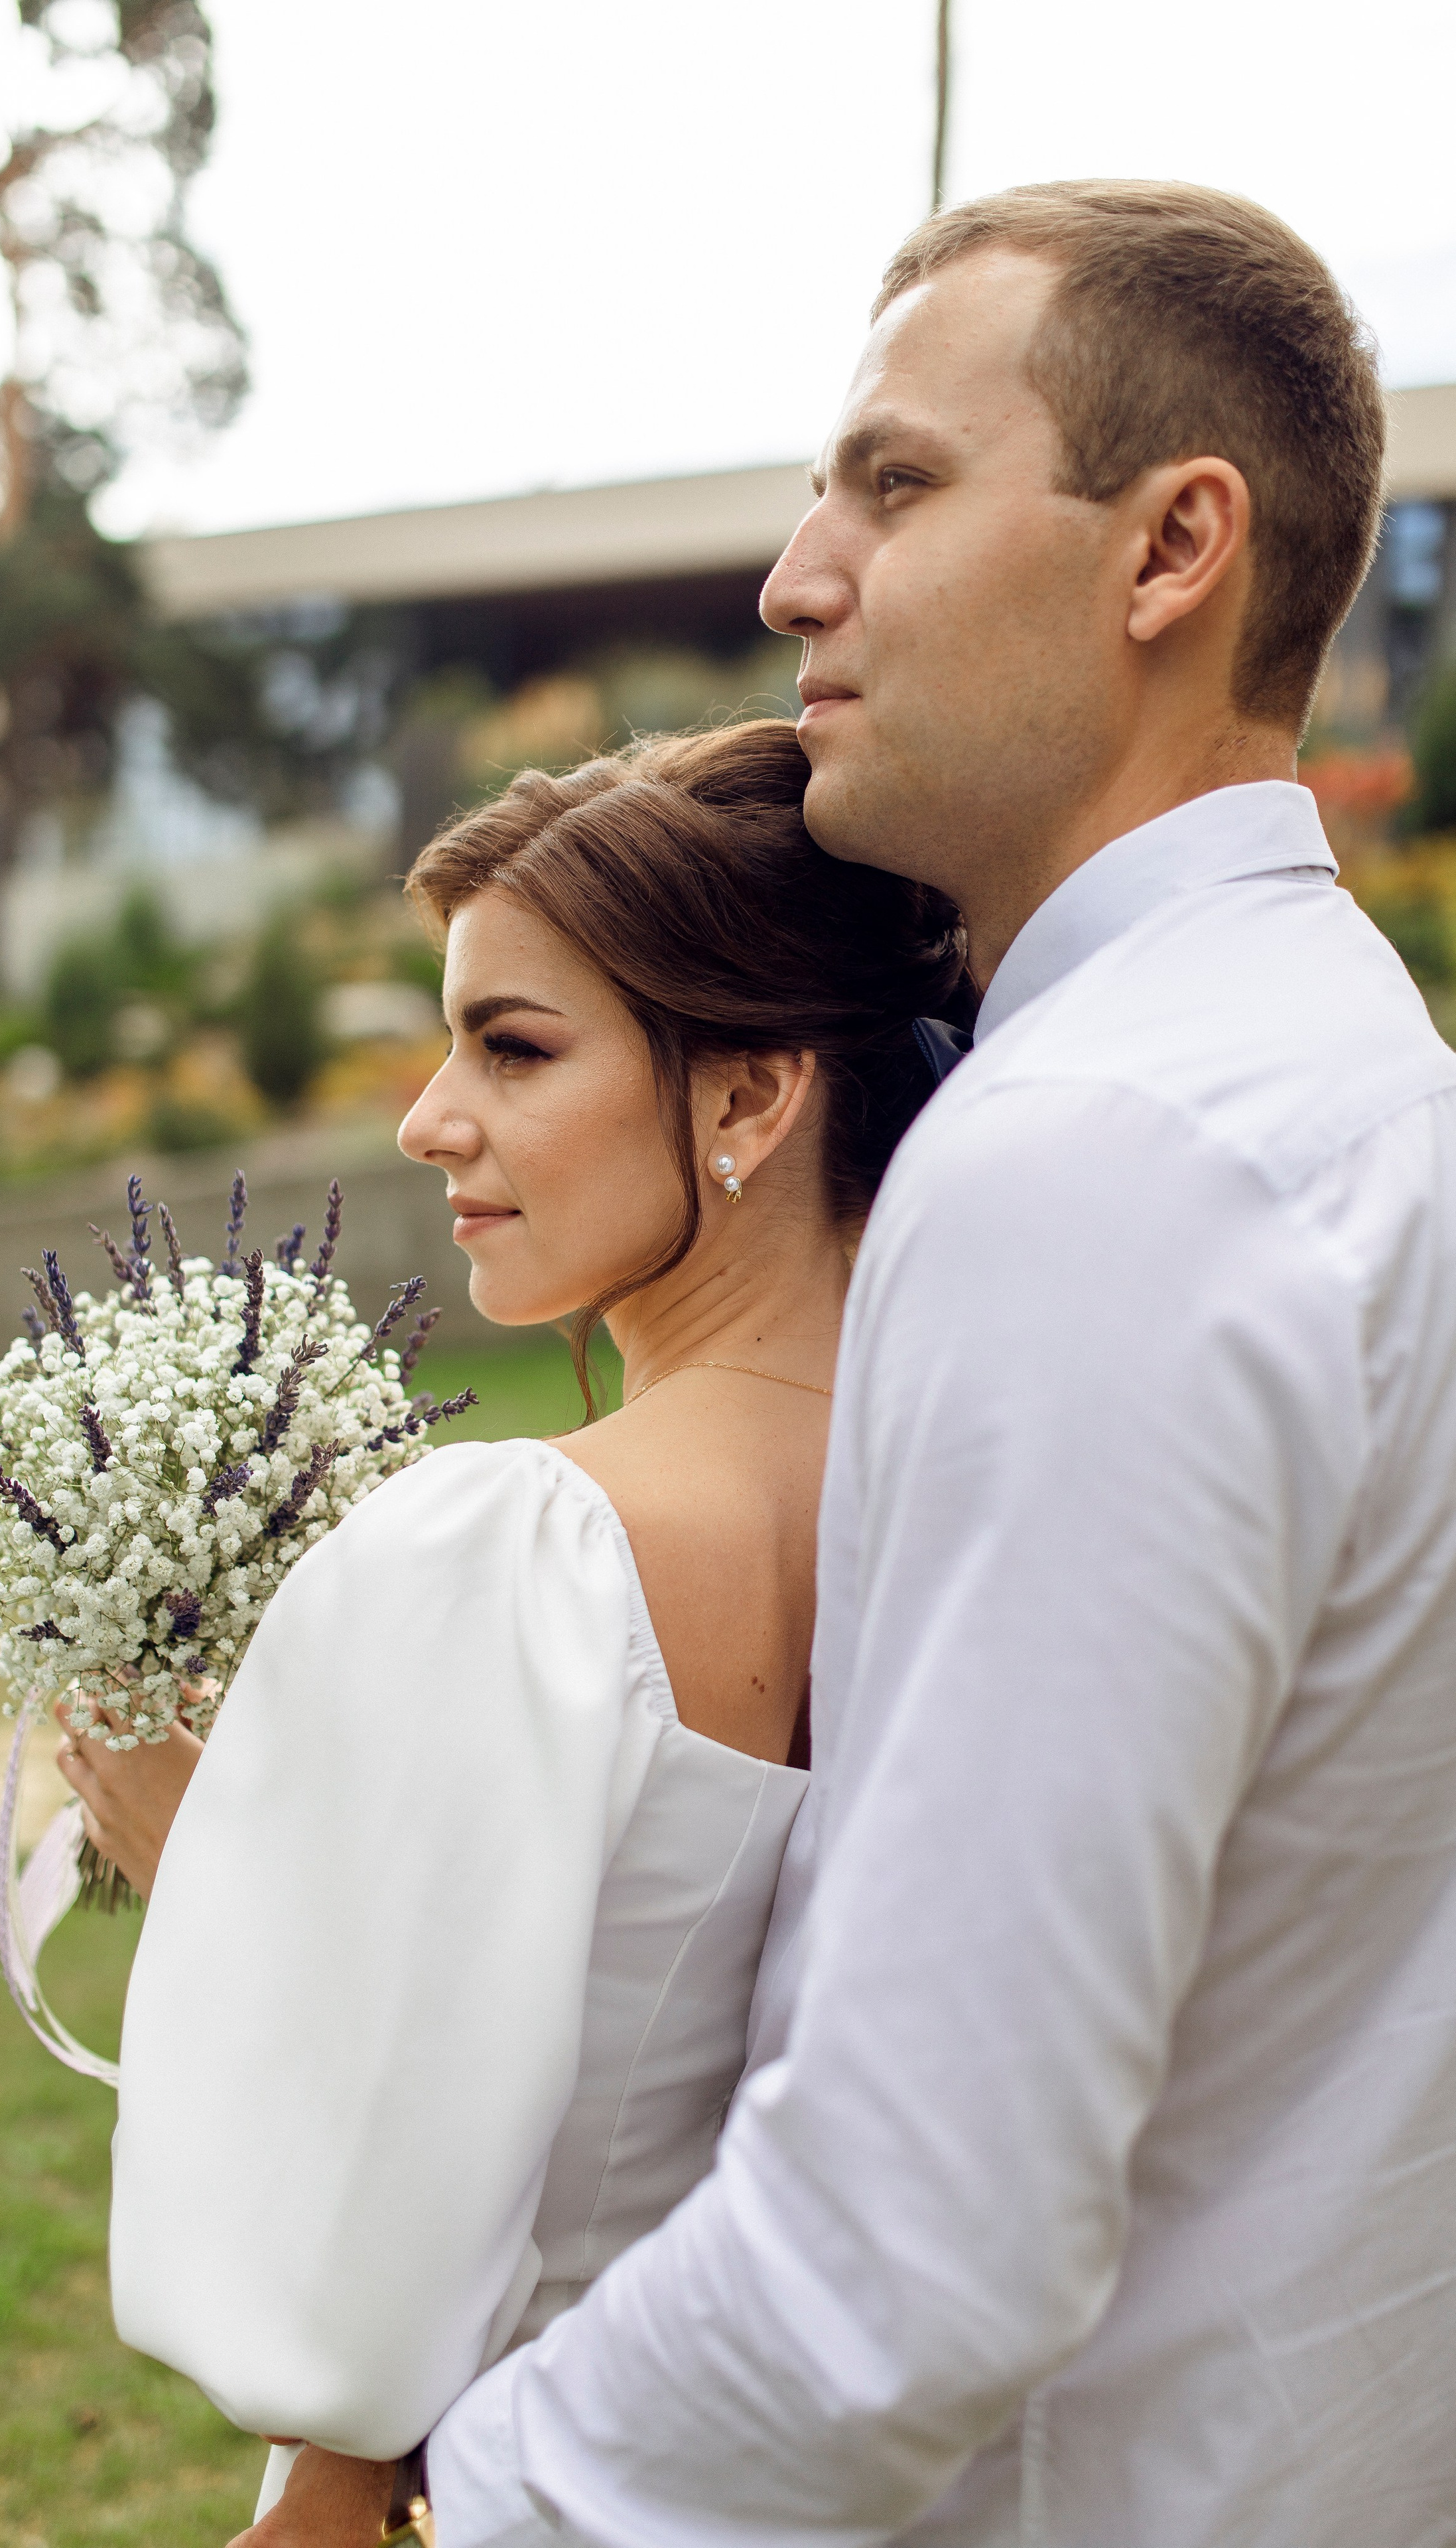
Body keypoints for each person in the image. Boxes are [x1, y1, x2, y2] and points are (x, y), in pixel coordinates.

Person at [400, 180, 1456, 2548]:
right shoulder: (1359, 1075)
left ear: (1173, 548)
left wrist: (465, 2504)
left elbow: (909, 2255)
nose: (796, 580)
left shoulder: (1097, 1158)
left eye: (895, 484)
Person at [60, 721, 970, 2541]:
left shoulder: (531, 1546)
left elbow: (347, 2259)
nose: (430, 1117)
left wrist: (204, 1862)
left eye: (515, 1046)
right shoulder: (960, 1494)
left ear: (745, 1096)